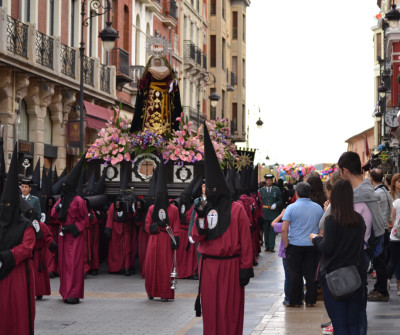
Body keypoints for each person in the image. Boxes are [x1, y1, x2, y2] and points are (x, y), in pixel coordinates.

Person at [191, 123, 253, 335]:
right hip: (209, 268)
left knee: (230, 311)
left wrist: (245, 268)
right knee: (212, 311)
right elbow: (197, 237)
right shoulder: (204, 208)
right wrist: (200, 217)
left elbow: (246, 241)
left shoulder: (237, 210)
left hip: (231, 267)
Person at [310, 179, 366, 335]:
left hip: (334, 278)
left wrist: (315, 239)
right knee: (353, 323)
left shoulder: (331, 221)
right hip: (354, 277)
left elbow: (326, 249)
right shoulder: (358, 220)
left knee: (339, 324)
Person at [337, 151, 385, 334]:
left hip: (356, 254)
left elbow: (323, 224)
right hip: (362, 253)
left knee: (354, 301)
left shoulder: (357, 195)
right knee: (358, 300)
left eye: (340, 171)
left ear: (345, 171)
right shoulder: (368, 192)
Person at [0, 145, 36, 335]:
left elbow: (27, 248)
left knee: (17, 312)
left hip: (18, 274)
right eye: (2, 205)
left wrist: (6, 257)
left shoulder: (26, 225)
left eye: (8, 205)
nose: (5, 208)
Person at [51, 155, 88, 304]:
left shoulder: (79, 201)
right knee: (64, 264)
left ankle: (74, 293)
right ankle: (65, 291)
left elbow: (84, 220)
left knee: (74, 265)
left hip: (74, 236)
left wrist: (74, 228)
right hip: (63, 236)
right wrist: (58, 208)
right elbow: (53, 214)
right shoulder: (62, 199)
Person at [281, 181, 324, 307]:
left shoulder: (291, 207)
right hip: (312, 245)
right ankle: (311, 300)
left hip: (295, 245)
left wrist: (286, 244)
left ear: (297, 193)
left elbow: (284, 229)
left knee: (295, 274)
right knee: (310, 274)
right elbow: (321, 228)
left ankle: (295, 300)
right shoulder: (318, 208)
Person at [144, 161, 180, 302]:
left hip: (166, 240)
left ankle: (165, 292)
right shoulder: (152, 209)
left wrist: (175, 239)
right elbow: (147, 226)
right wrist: (155, 225)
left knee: (165, 268)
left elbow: (176, 225)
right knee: (152, 267)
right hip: (154, 241)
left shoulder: (174, 209)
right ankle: (151, 291)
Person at [130, 55, 182, 135]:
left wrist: (172, 83)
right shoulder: (150, 70)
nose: (157, 61)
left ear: (162, 61)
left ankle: (164, 132)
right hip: (152, 97)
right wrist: (140, 81)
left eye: (159, 60)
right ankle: (149, 132)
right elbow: (146, 81)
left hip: (164, 97)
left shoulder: (167, 71)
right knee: (150, 114)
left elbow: (170, 81)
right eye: (156, 60)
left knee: (164, 115)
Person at [367, 168, 391, 301]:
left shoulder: (376, 194)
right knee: (382, 261)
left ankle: (381, 291)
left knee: (380, 262)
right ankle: (379, 288)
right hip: (386, 230)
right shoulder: (386, 192)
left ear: (371, 178)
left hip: (379, 232)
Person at [105, 193, 134, 276]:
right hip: (115, 231)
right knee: (115, 251)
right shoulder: (112, 207)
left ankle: (126, 267)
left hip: (125, 230)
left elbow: (129, 218)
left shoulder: (126, 206)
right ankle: (115, 268)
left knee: (126, 249)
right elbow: (110, 218)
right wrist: (108, 230)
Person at [259, 174, 283, 252]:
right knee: (266, 230)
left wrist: (276, 204)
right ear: (265, 181)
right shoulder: (261, 190)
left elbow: (280, 200)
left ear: (272, 181)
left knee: (272, 230)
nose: (269, 181)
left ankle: (272, 246)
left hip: (273, 213)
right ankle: (267, 246)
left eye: (270, 180)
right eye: (267, 180)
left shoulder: (276, 189)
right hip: (265, 212)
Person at [271, 209, 289, 305]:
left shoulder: (285, 224)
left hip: (286, 252)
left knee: (288, 276)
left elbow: (273, 223)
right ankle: (299, 295)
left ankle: (288, 298)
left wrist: (281, 215)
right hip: (298, 251)